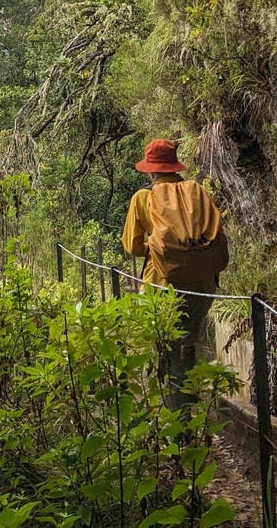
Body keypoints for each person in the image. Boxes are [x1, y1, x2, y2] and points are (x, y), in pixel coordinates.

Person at [121, 138, 228, 410]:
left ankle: (178, 424)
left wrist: (156, 249)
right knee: (189, 344)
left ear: (151, 170)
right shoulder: (197, 192)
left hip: (163, 287)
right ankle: (193, 411)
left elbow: (132, 246)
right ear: (174, 165)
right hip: (202, 284)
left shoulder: (143, 198)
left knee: (169, 353)